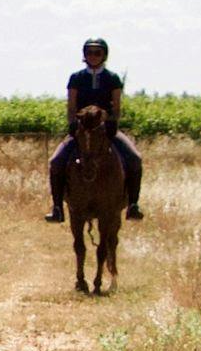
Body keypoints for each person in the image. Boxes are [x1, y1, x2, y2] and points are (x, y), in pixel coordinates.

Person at [46, 37, 144, 221]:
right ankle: (57, 207)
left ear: (104, 55)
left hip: (105, 129)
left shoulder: (112, 78)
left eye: (97, 52)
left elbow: (116, 107)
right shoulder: (76, 78)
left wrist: (111, 121)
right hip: (81, 130)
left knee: (135, 158)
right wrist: (73, 124)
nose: (93, 56)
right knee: (56, 161)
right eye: (89, 52)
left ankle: (133, 204)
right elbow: (71, 106)